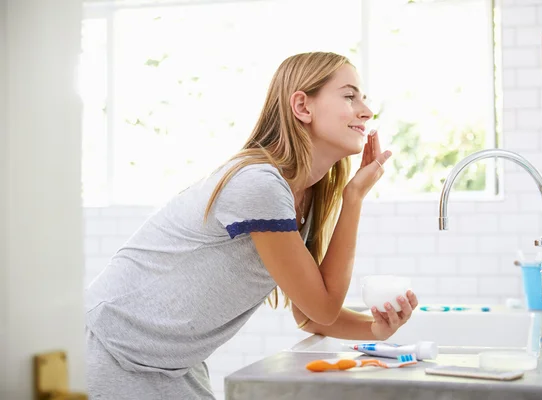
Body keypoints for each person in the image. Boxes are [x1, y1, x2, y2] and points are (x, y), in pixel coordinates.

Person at [85, 51, 419, 399]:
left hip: (170, 365)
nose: (366, 110)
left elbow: (311, 316)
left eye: (362, 98)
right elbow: (322, 308)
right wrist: (354, 198)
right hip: (114, 351)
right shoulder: (260, 184)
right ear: (302, 106)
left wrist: (375, 329)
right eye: (350, 96)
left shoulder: (299, 195)